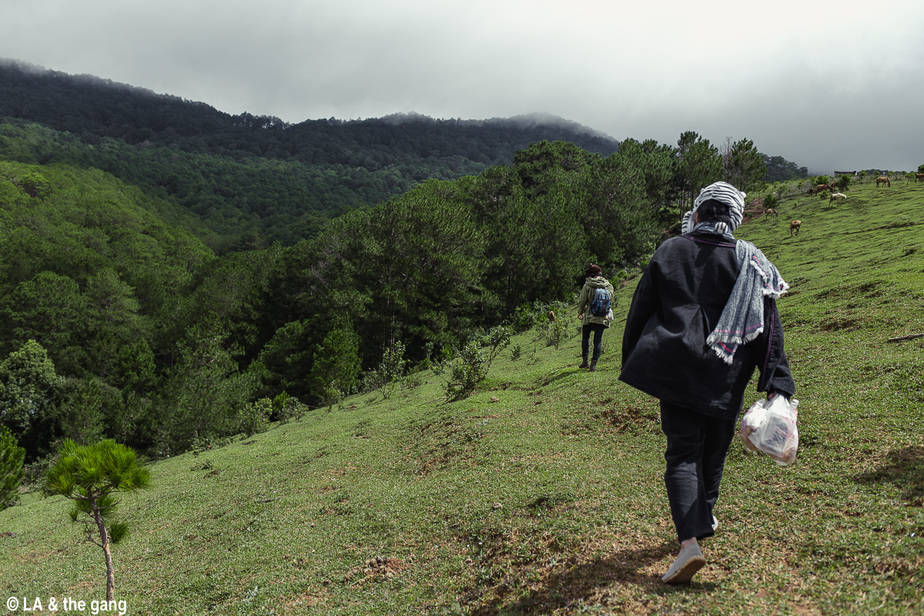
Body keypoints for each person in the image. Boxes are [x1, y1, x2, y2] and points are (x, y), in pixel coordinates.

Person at [619, 181, 796, 584]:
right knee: (714, 452)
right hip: (728, 370)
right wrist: (776, 381)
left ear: (698, 213)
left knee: (682, 453)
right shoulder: (751, 260)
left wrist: (635, 358)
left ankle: (689, 543)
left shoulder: (670, 250)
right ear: (733, 218)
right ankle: (703, 519)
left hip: (676, 367)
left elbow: (641, 307)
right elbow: (769, 328)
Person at [576, 264, 615, 371]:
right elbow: (610, 300)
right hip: (602, 317)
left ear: (591, 274)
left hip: (589, 317)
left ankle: (585, 362)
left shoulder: (588, 285)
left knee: (585, 338)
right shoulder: (608, 285)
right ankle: (593, 365)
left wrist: (580, 312)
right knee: (597, 340)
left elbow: (582, 300)